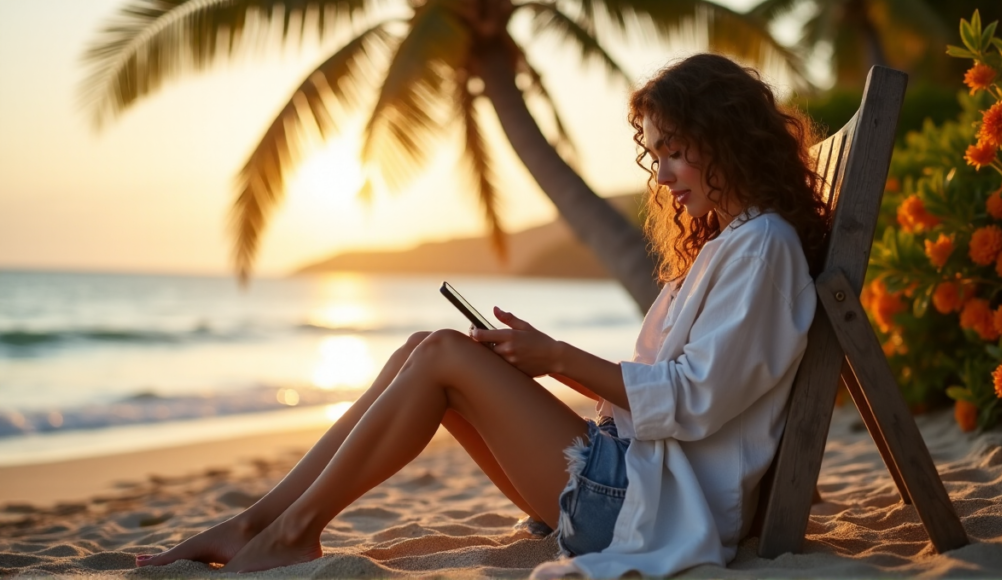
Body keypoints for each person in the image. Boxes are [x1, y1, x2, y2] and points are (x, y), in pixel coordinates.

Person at [135, 53, 828, 577]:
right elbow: (679, 390)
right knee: (424, 347)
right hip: (628, 479)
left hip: (640, 509)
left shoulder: (762, 247)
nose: (663, 175)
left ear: (727, 140)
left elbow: (696, 399)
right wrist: (540, 361)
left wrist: (556, 360)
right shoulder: (733, 246)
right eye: (657, 155)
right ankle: (259, 520)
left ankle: (287, 536)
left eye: (676, 152)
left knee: (442, 354)